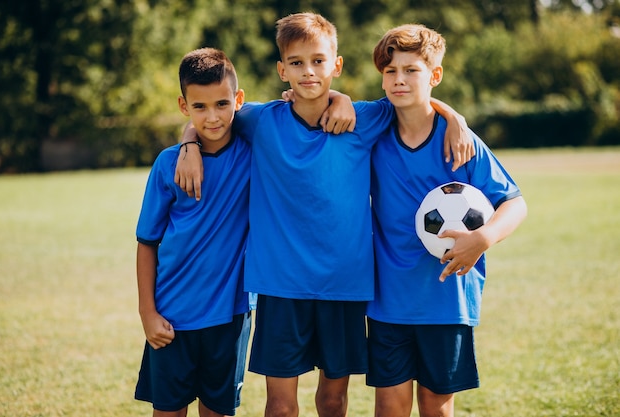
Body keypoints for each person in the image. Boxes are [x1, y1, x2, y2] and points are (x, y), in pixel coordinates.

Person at [174, 13, 472, 417]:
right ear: (282, 70)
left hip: (344, 288)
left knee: (333, 401)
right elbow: (211, 116)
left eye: (318, 60)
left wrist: (455, 117)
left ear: (337, 64)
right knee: (280, 407)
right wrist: (188, 142)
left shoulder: (365, 118)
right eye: (296, 63)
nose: (308, 71)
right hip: (281, 288)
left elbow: (412, 95)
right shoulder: (261, 121)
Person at [367, 24, 528, 417]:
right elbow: (328, 104)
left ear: (435, 75)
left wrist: (484, 237)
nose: (399, 79)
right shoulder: (373, 128)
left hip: (447, 299)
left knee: (437, 409)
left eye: (412, 70)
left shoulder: (460, 141)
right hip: (388, 299)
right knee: (389, 407)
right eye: (390, 71)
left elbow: (515, 203)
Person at [134, 48, 252, 417]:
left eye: (222, 103)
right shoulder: (168, 163)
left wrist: (439, 108)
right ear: (184, 106)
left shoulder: (255, 153)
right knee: (168, 411)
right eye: (199, 107)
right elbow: (146, 243)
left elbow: (301, 105)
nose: (212, 116)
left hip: (230, 316)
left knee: (217, 411)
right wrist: (147, 313)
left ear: (239, 99)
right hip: (172, 316)